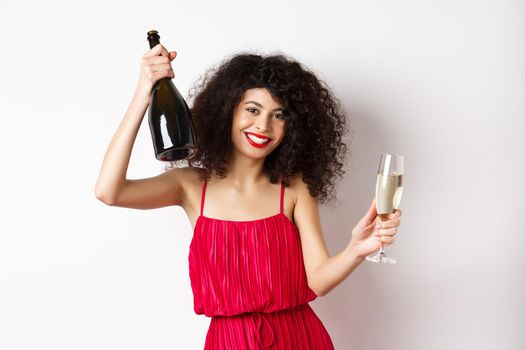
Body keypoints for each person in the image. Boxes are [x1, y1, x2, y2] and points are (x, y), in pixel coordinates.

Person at [95, 43, 402, 349]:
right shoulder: (190, 185)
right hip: (230, 341)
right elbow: (109, 191)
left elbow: (318, 281)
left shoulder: (294, 188)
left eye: (278, 115)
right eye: (253, 110)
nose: (263, 126)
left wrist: (358, 249)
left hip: (299, 338)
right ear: (228, 110)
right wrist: (143, 95)